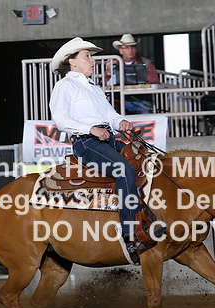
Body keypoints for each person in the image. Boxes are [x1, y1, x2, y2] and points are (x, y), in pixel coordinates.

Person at [49, 37, 141, 255]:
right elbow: (60, 119)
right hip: (86, 143)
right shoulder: (65, 86)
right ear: (72, 62)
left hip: (107, 139)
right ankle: (131, 234)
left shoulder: (94, 88)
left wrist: (121, 122)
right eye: (87, 56)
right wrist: (90, 129)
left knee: (145, 162)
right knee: (123, 170)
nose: (92, 61)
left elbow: (110, 115)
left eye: (91, 57)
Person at [105, 33, 160, 115]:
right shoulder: (113, 64)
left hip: (142, 101)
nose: (130, 50)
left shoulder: (147, 63)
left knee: (145, 113)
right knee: (112, 114)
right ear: (121, 50)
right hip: (119, 101)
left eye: (133, 47)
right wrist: (109, 71)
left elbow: (154, 82)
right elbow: (104, 84)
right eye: (127, 47)